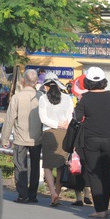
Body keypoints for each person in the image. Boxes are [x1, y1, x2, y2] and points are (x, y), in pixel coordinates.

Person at [73, 66, 110, 218]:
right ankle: (106, 207)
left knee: (94, 173)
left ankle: (100, 210)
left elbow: (76, 118)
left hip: (91, 139)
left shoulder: (86, 99)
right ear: (103, 81)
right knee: (106, 172)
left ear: (88, 82)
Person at [0, 69, 42, 203]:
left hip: (20, 138)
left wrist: (5, 138)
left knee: (20, 166)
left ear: (23, 81)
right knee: (35, 167)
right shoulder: (41, 97)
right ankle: (33, 195)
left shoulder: (17, 97)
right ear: (36, 82)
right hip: (37, 138)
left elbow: (9, 119)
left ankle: (22, 194)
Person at [38, 72, 74, 207]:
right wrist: (64, 124)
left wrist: (56, 124)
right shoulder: (67, 98)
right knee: (60, 165)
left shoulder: (43, 99)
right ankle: (57, 195)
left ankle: (52, 192)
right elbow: (70, 116)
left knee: (47, 165)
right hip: (64, 134)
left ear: (46, 86)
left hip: (49, 133)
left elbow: (43, 119)